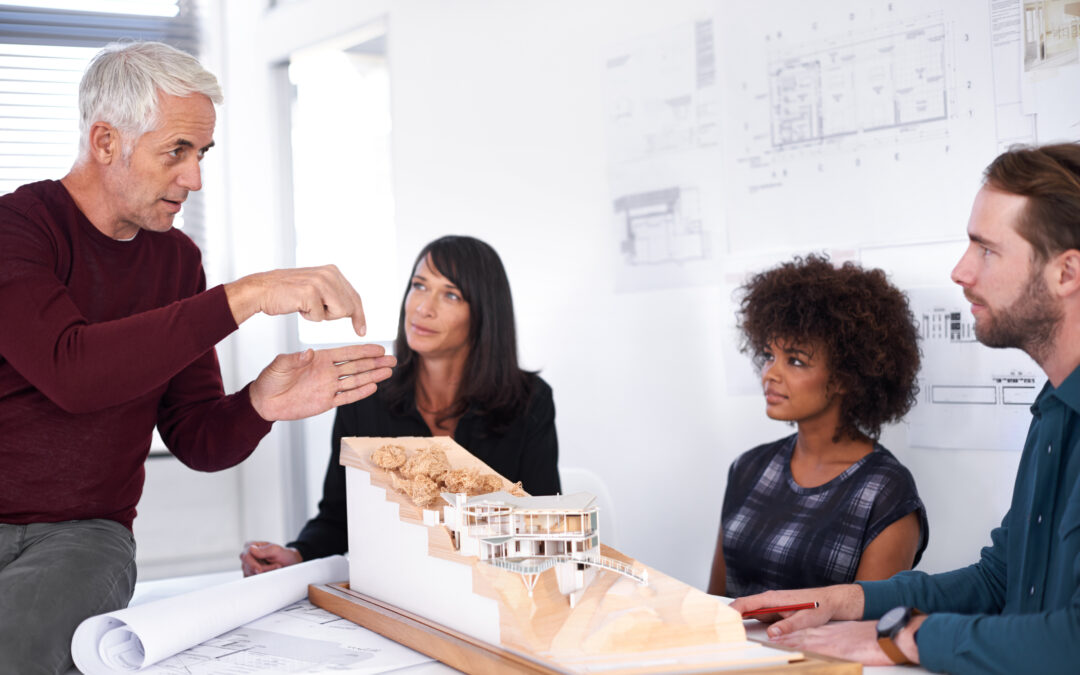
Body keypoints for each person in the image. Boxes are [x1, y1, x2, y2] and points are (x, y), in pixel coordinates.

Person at [0, 41, 396, 674]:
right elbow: (72, 371)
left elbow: (198, 438)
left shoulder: (176, 260)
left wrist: (261, 404)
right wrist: (248, 296)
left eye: (202, 153)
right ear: (105, 142)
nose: (195, 178)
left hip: (83, 534)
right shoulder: (16, 229)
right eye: (176, 152)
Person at [731, 143, 1080, 674]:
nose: (961, 271)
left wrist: (902, 637)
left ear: (1067, 272)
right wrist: (847, 602)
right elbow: (999, 581)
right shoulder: (1055, 412)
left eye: (986, 250)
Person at [240, 235, 561, 574]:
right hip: (397, 591)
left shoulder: (530, 400)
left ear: (483, 313)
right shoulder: (365, 392)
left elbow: (545, 525)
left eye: (450, 294)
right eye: (419, 286)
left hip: (491, 590)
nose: (424, 307)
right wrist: (297, 555)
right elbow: (339, 518)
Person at [708, 255, 928, 598]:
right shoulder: (748, 470)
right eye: (768, 356)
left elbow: (865, 629)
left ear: (845, 376)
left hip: (824, 654)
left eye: (795, 360)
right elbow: (716, 603)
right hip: (734, 651)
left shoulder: (885, 492)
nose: (770, 373)